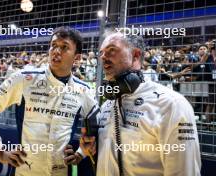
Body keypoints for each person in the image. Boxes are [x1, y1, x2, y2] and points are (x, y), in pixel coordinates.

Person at [0, 26, 99, 176]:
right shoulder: (24, 78)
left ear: (77, 58)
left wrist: (80, 154)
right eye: (53, 45)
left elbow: (96, 127)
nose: (56, 51)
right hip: (25, 171)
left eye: (64, 47)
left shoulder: (83, 90)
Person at [80, 31, 201, 176]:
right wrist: (91, 149)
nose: (103, 57)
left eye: (112, 50)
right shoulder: (108, 104)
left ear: (136, 55)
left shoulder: (171, 105)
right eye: (101, 52)